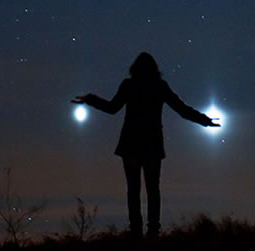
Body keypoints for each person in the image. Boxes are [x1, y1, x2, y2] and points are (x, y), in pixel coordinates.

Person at [72, 52, 219, 237]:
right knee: (152, 189)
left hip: (131, 144)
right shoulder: (159, 86)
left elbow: (112, 108)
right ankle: (152, 231)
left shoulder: (129, 85)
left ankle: (136, 231)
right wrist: (205, 121)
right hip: (151, 145)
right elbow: (181, 109)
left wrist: (91, 99)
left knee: (134, 189)